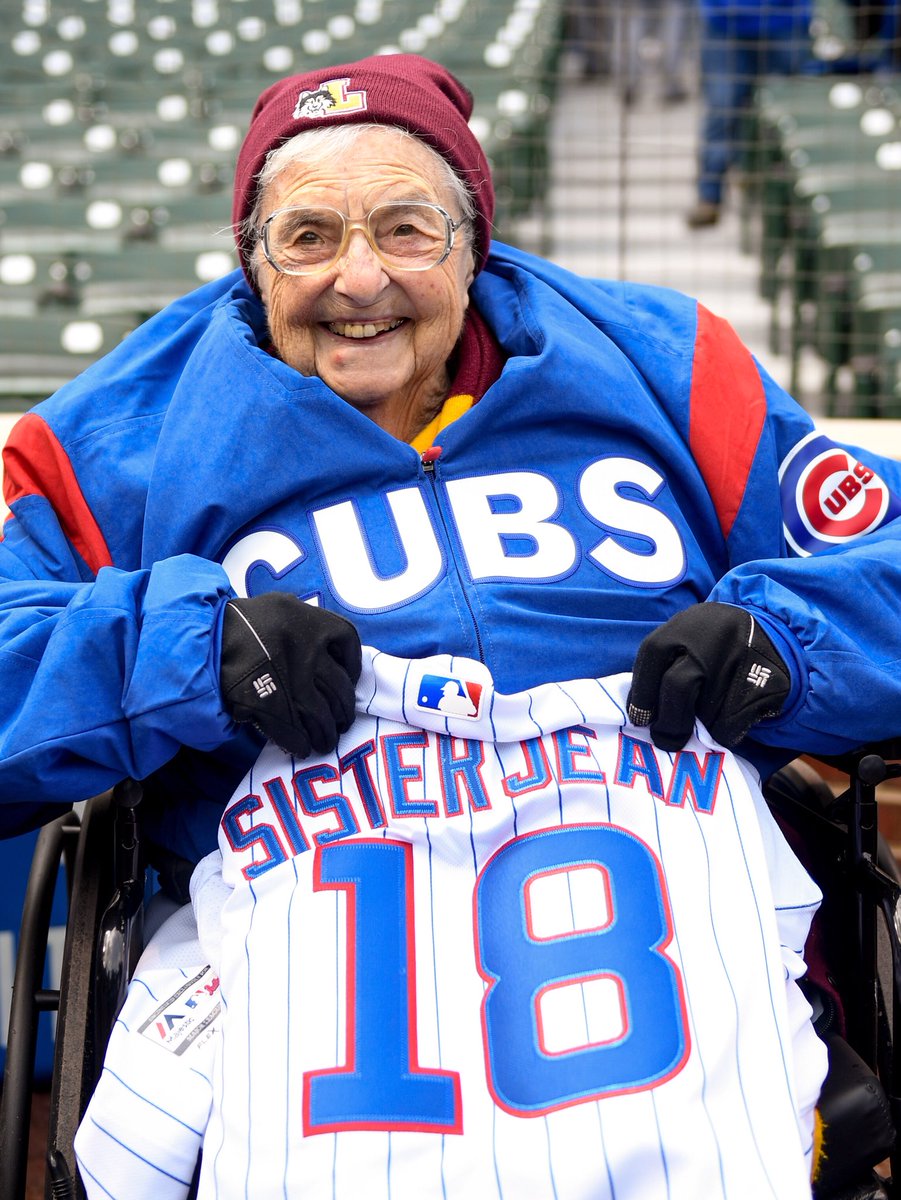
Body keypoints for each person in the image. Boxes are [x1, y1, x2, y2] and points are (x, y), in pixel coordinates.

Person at [1, 48, 901, 1191]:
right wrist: (178, 652)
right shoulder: (115, 438)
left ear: (476, 246)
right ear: (247, 259)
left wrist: (788, 643)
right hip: (317, 985)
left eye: (407, 230)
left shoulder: (667, 367)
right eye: (307, 236)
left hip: (658, 935)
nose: (358, 277)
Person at [687, 0, 813, 227]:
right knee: (722, 107)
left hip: (787, 19)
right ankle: (710, 196)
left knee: (793, 113)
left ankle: (798, 202)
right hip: (724, 19)